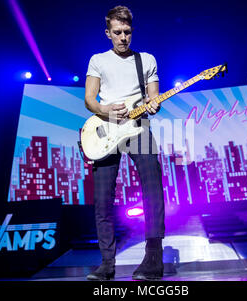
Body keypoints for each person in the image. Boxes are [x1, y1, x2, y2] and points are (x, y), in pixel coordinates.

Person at [84, 5, 165, 281]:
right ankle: (107, 264)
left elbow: (153, 97)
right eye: (117, 32)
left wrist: (153, 104)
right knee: (103, 200)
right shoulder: (97, 60)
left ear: (132, 31)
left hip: (139, 128)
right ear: (108, 33)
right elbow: (90, 99)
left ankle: (153, 261)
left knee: (153, 191)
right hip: (107, 131)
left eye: (127, 32)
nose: (123, 37)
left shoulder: (147, 60)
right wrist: (107, 111)